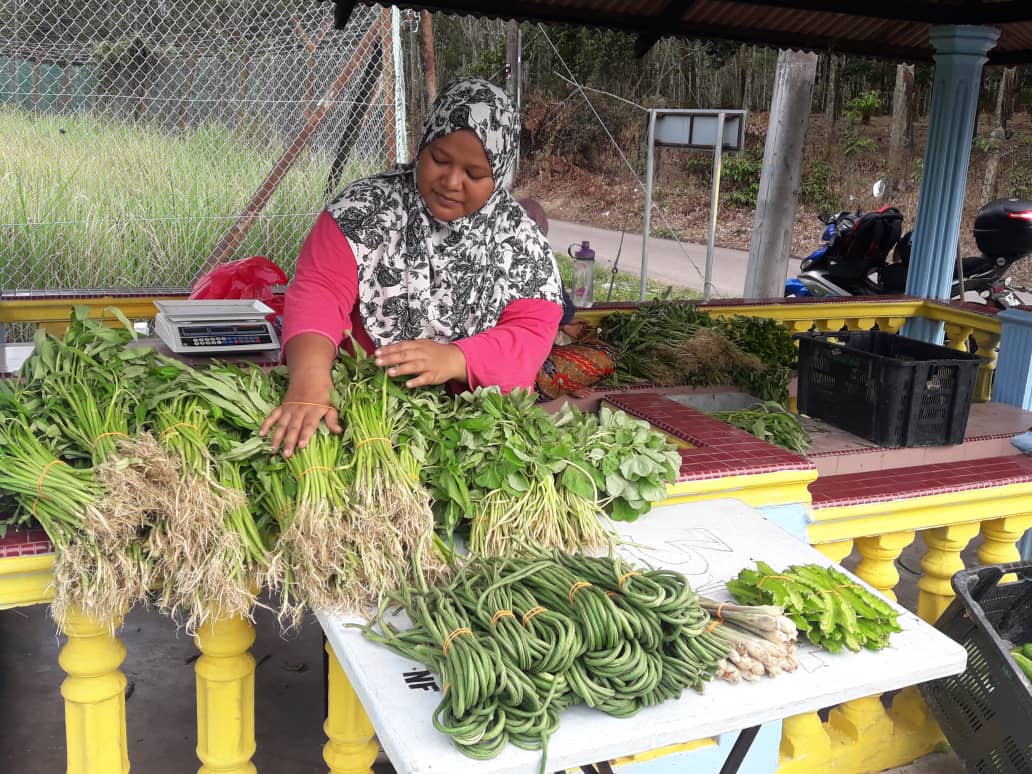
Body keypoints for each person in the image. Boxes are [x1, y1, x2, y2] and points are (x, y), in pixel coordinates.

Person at [260, 77, 564, 457]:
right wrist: (308, 379)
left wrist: (457, 358)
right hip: (359, 404)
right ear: (423, 146)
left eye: (474, 174)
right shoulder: (364, 208)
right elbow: (320, 288)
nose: (452, 182)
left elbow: (532, 331)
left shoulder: (520, 240)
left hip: (470, 426)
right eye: (439, 159)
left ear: (499, 174)